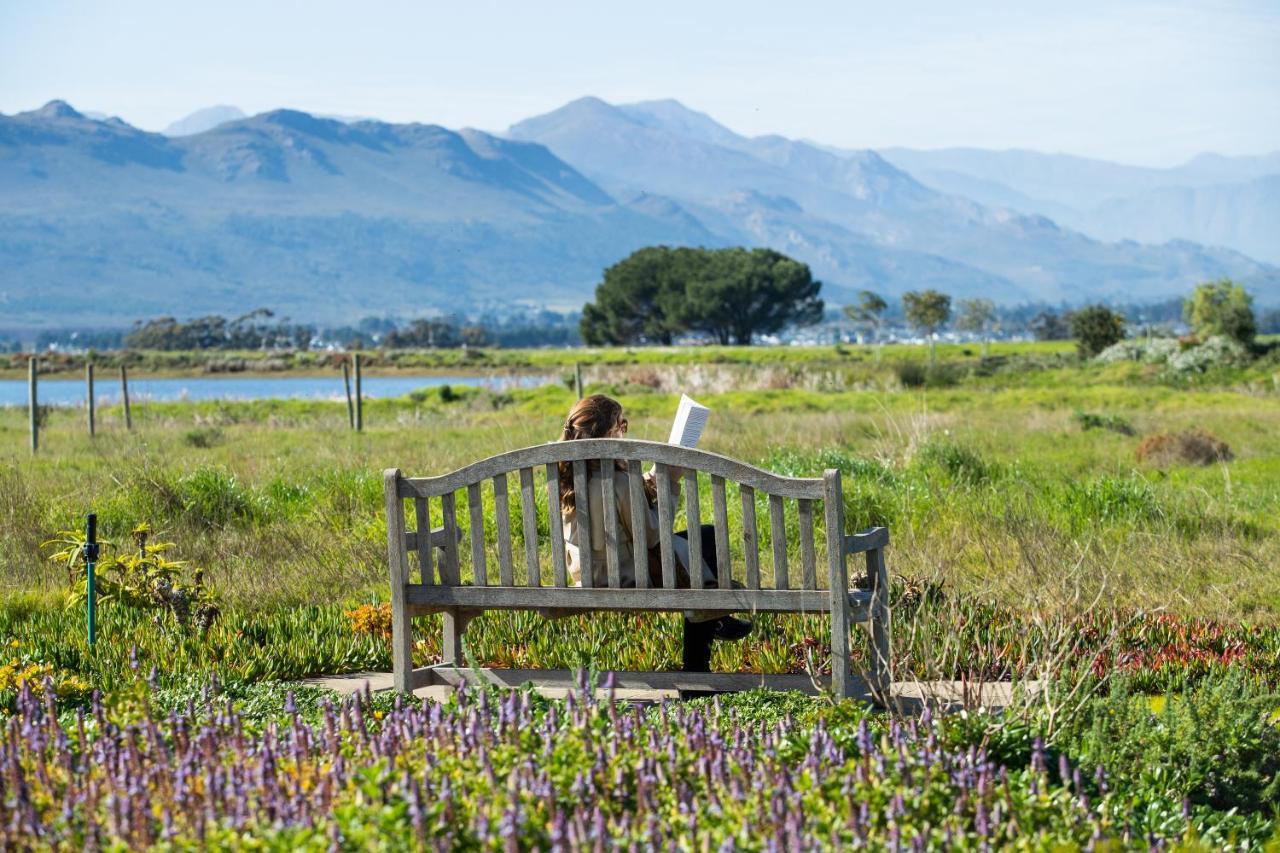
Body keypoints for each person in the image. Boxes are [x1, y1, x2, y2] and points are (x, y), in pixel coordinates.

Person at [557, 394, 752, 672]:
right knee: (705, 538)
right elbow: (651, 535)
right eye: (620, 425)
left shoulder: (566, 477)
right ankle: (701, 658)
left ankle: (715, 618)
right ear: (607, 434)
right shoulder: (618, 480)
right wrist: (670, 482)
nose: (624, 431)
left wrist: (648, 481)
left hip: (588, 575)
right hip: (627, 576)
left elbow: (616, 507)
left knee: (700, 544)